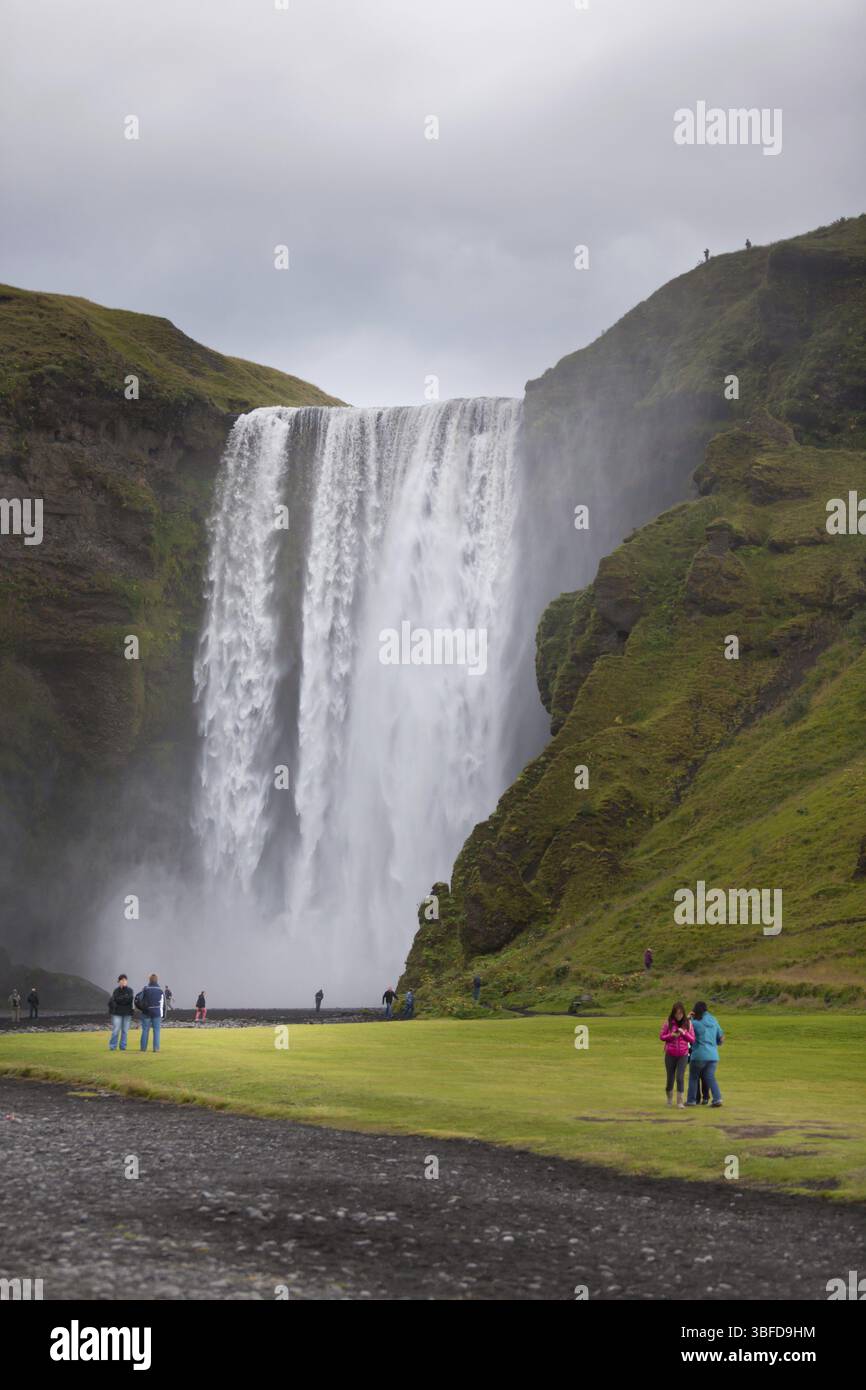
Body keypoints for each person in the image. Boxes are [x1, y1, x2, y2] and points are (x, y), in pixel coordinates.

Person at [686, 1001, 724, 1107]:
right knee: (710, 1077)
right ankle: (717, 1098)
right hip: (713, 1055)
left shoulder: (695, 1022)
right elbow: (721, 1038)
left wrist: (688, 1018)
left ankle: (691, 1100)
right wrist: (716, 1043)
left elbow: (684, 1029)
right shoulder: (714, 1020)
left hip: (699, 1054)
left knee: (693, 1077)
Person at [659, 1002, 694, 1108]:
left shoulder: (688, 1024)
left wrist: (684, 1033)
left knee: (680, 1077)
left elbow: (693, 1039)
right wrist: (671, 1035)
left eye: (680, 1013)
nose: (679, 1015)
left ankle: (680, 1102)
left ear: (683, 1013)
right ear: (673, 1013)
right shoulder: (668, 1023)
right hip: (670, 1054)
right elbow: (662, 1036)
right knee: (670, 1078)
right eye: (676, 1013)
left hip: (683, 1054)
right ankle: (669, 1099)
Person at [137, 974, 164, 1052]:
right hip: (156, 1013)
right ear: (157, 980)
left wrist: (141, 1008)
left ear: (149, 980)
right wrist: (162, 1015)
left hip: (146, 1012)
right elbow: (162, 1004)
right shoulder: (160, 990)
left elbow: (139, 999)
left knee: (145, 1030)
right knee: (156, 1031)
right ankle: (156, 1049)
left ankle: (143, 1048)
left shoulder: (146, 989)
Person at [108, 974, 134, 1052]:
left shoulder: (130, 990)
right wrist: (123, 999)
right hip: (117, 1013)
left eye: (125, 980)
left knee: (125, 1031)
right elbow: (115, 1000)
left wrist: (120, 999)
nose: (123, 982)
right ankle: (112, 1046)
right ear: (119, 981)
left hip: (127, 1013)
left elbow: (129, 1000)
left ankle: (123, 1047)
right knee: (116, 1030)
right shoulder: (116, 991)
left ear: (127, 981)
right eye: (122, 980)